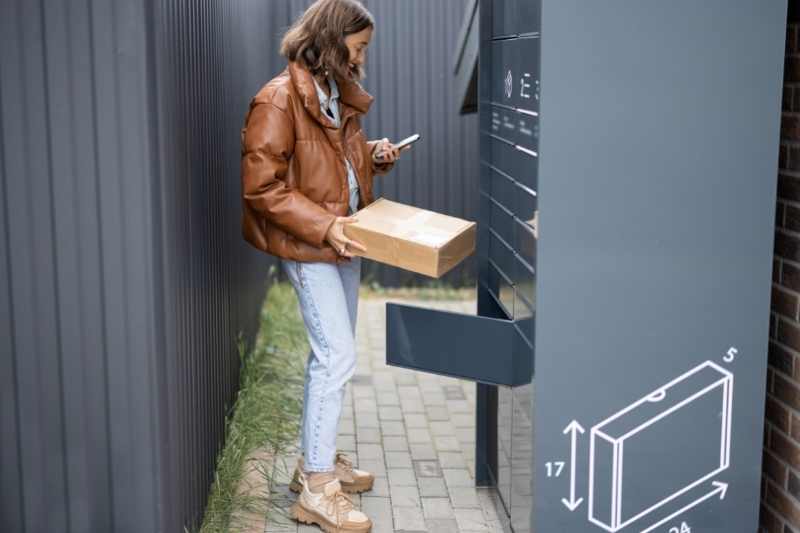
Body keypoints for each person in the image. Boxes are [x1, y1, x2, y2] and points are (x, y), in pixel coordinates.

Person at [240, 1, 406, 530]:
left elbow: (335, 163)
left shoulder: (334, 93)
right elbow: (262, 189)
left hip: (344, 241)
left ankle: (314, 456)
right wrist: (327, 226)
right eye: (356, 49)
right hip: (312, 246)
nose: (361, 59)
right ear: (332, 43)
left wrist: (373, 153)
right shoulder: (277, 99)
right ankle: (315, 486)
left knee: (334, 355)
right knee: (334, 357)